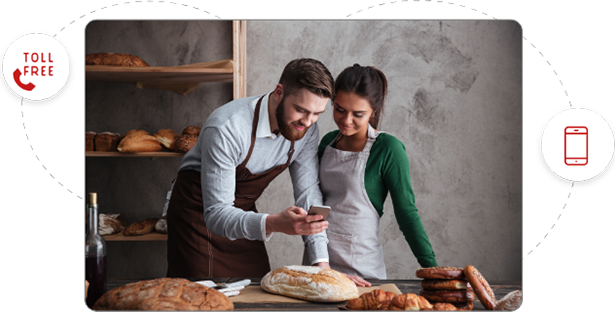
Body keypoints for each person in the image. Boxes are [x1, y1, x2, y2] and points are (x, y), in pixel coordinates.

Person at [166, 58, 335, 278]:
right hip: (197, 216)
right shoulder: (227, 127)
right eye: (301, 110)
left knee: (257, 293)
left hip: (243, 215)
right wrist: (274, 223)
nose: (308, 122)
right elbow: (216, 214)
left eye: (317, 114)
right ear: (279, 92)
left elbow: (308, 191)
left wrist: (321, 263)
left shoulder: (307, 128)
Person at [315, 64, 438, 286]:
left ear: (374, 110)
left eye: (358, 114)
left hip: (362, 270)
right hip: (320, 265)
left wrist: (432, 269)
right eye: (340, 109)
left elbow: (406, 213)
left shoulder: (388, 148)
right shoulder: (326, 143)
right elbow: (313, 200)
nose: (346, 120)